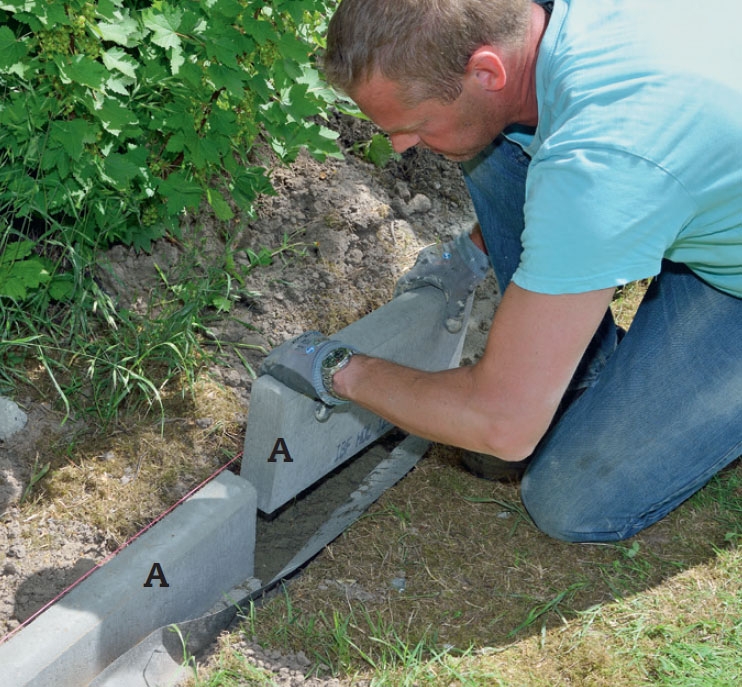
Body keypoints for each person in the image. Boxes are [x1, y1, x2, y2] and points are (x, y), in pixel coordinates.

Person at [261, 0, 742, 543]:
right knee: (481, 137)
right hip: (699, 169)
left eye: (414, 124)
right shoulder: (530, 26)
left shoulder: (602, 164)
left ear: (487, 70)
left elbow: (502, 424)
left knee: (571, 499)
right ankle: (581, 373)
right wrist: (474, 249)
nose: (398, 146)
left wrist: (340, 370)